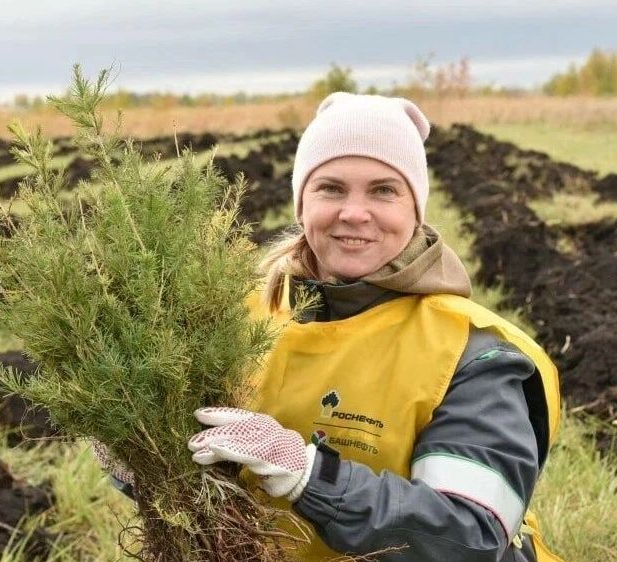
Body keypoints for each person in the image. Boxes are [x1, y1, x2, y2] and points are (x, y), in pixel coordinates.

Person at [99, 92, 563, 562]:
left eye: (383, 190)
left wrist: (310, 475)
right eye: (331, 188)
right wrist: (141, 459)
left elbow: (469, 536)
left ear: (415, 210)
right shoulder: (238, 316)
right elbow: (206, 478)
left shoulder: (471, 353)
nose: (354, 213)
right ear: (302, 205)